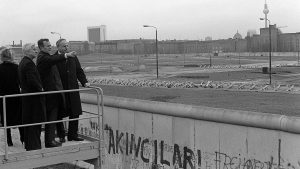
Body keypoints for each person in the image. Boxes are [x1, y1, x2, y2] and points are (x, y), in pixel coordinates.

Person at [36, 38, 76, 148]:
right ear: (41, 47)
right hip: (50, 94)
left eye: (50, 45)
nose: (50, 47)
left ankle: (51, 140)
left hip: (53, 93)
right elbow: (53, 60)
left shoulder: (46, 56)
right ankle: (50, 142)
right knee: (51, 118)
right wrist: (66, 55)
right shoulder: (43, 57)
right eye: (47, 46)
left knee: (53, 118)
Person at [56, 39, 89, 142]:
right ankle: (61, 135)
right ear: (58, 47)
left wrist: (84, 82)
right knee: (59, 113)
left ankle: (72, 135)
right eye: (64, 46)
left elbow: (79, 71)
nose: (66, 48)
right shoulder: (54, 58)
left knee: (75, 112)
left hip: (73, 89)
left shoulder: (73, 57)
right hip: (60, 90)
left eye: (67, 46)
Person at [18, 43, 46, 151]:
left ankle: (31, 148)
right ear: (28, 51)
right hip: (33, 101)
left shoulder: (22, 62)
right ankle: (35, 150)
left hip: (27, 99)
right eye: (34, 49)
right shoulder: (29, 64)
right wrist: (41, 89)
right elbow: (32, 81)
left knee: (30, 126)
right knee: (34, 126)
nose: (36, 51)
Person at [0, 47, 24, 146]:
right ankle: (23, 138)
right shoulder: (16, 67)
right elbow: (20, 82)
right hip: (15, 95)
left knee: (5, 118)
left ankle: (9, 141)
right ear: (11, 56)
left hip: (3, 97)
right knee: (19, 117)